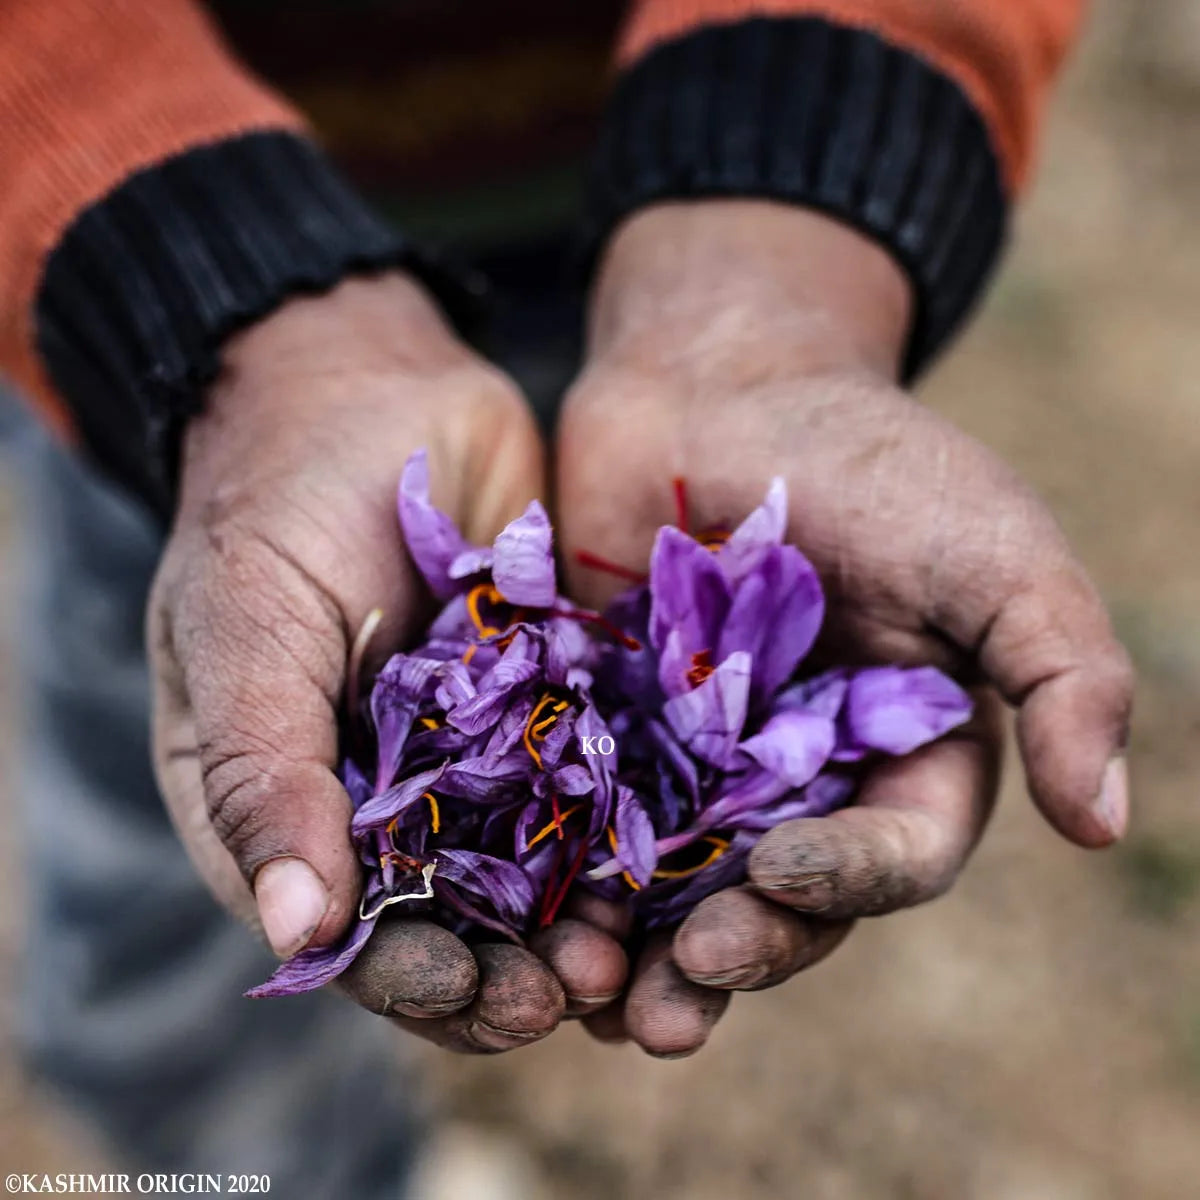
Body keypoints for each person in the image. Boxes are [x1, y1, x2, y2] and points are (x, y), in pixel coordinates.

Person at [0, 0, 1133, 1193]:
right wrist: (205, 316)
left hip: (680, 199)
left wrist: (775, 270)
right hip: (190, 334)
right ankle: (287, 1167)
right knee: (168, 940)